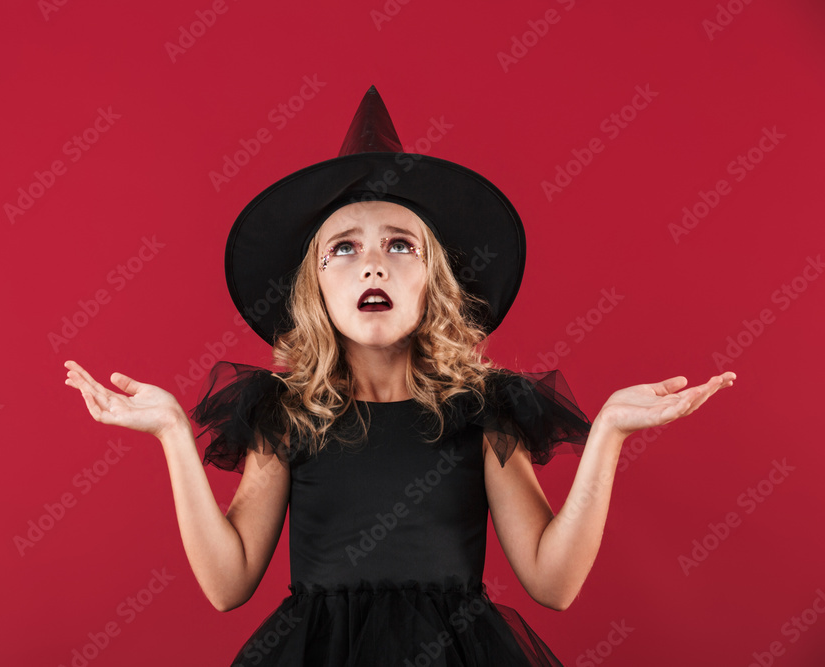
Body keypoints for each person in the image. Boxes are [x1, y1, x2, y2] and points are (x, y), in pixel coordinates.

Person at [63, 86, 736, 666]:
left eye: (399, 244)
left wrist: (611, 430)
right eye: (344, 248)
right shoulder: (285, 414)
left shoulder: (484, 410)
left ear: (434, 283)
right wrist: (174, 435)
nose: (373, 265)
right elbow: (227, 582)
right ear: (315, 289)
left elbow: (553, 582)